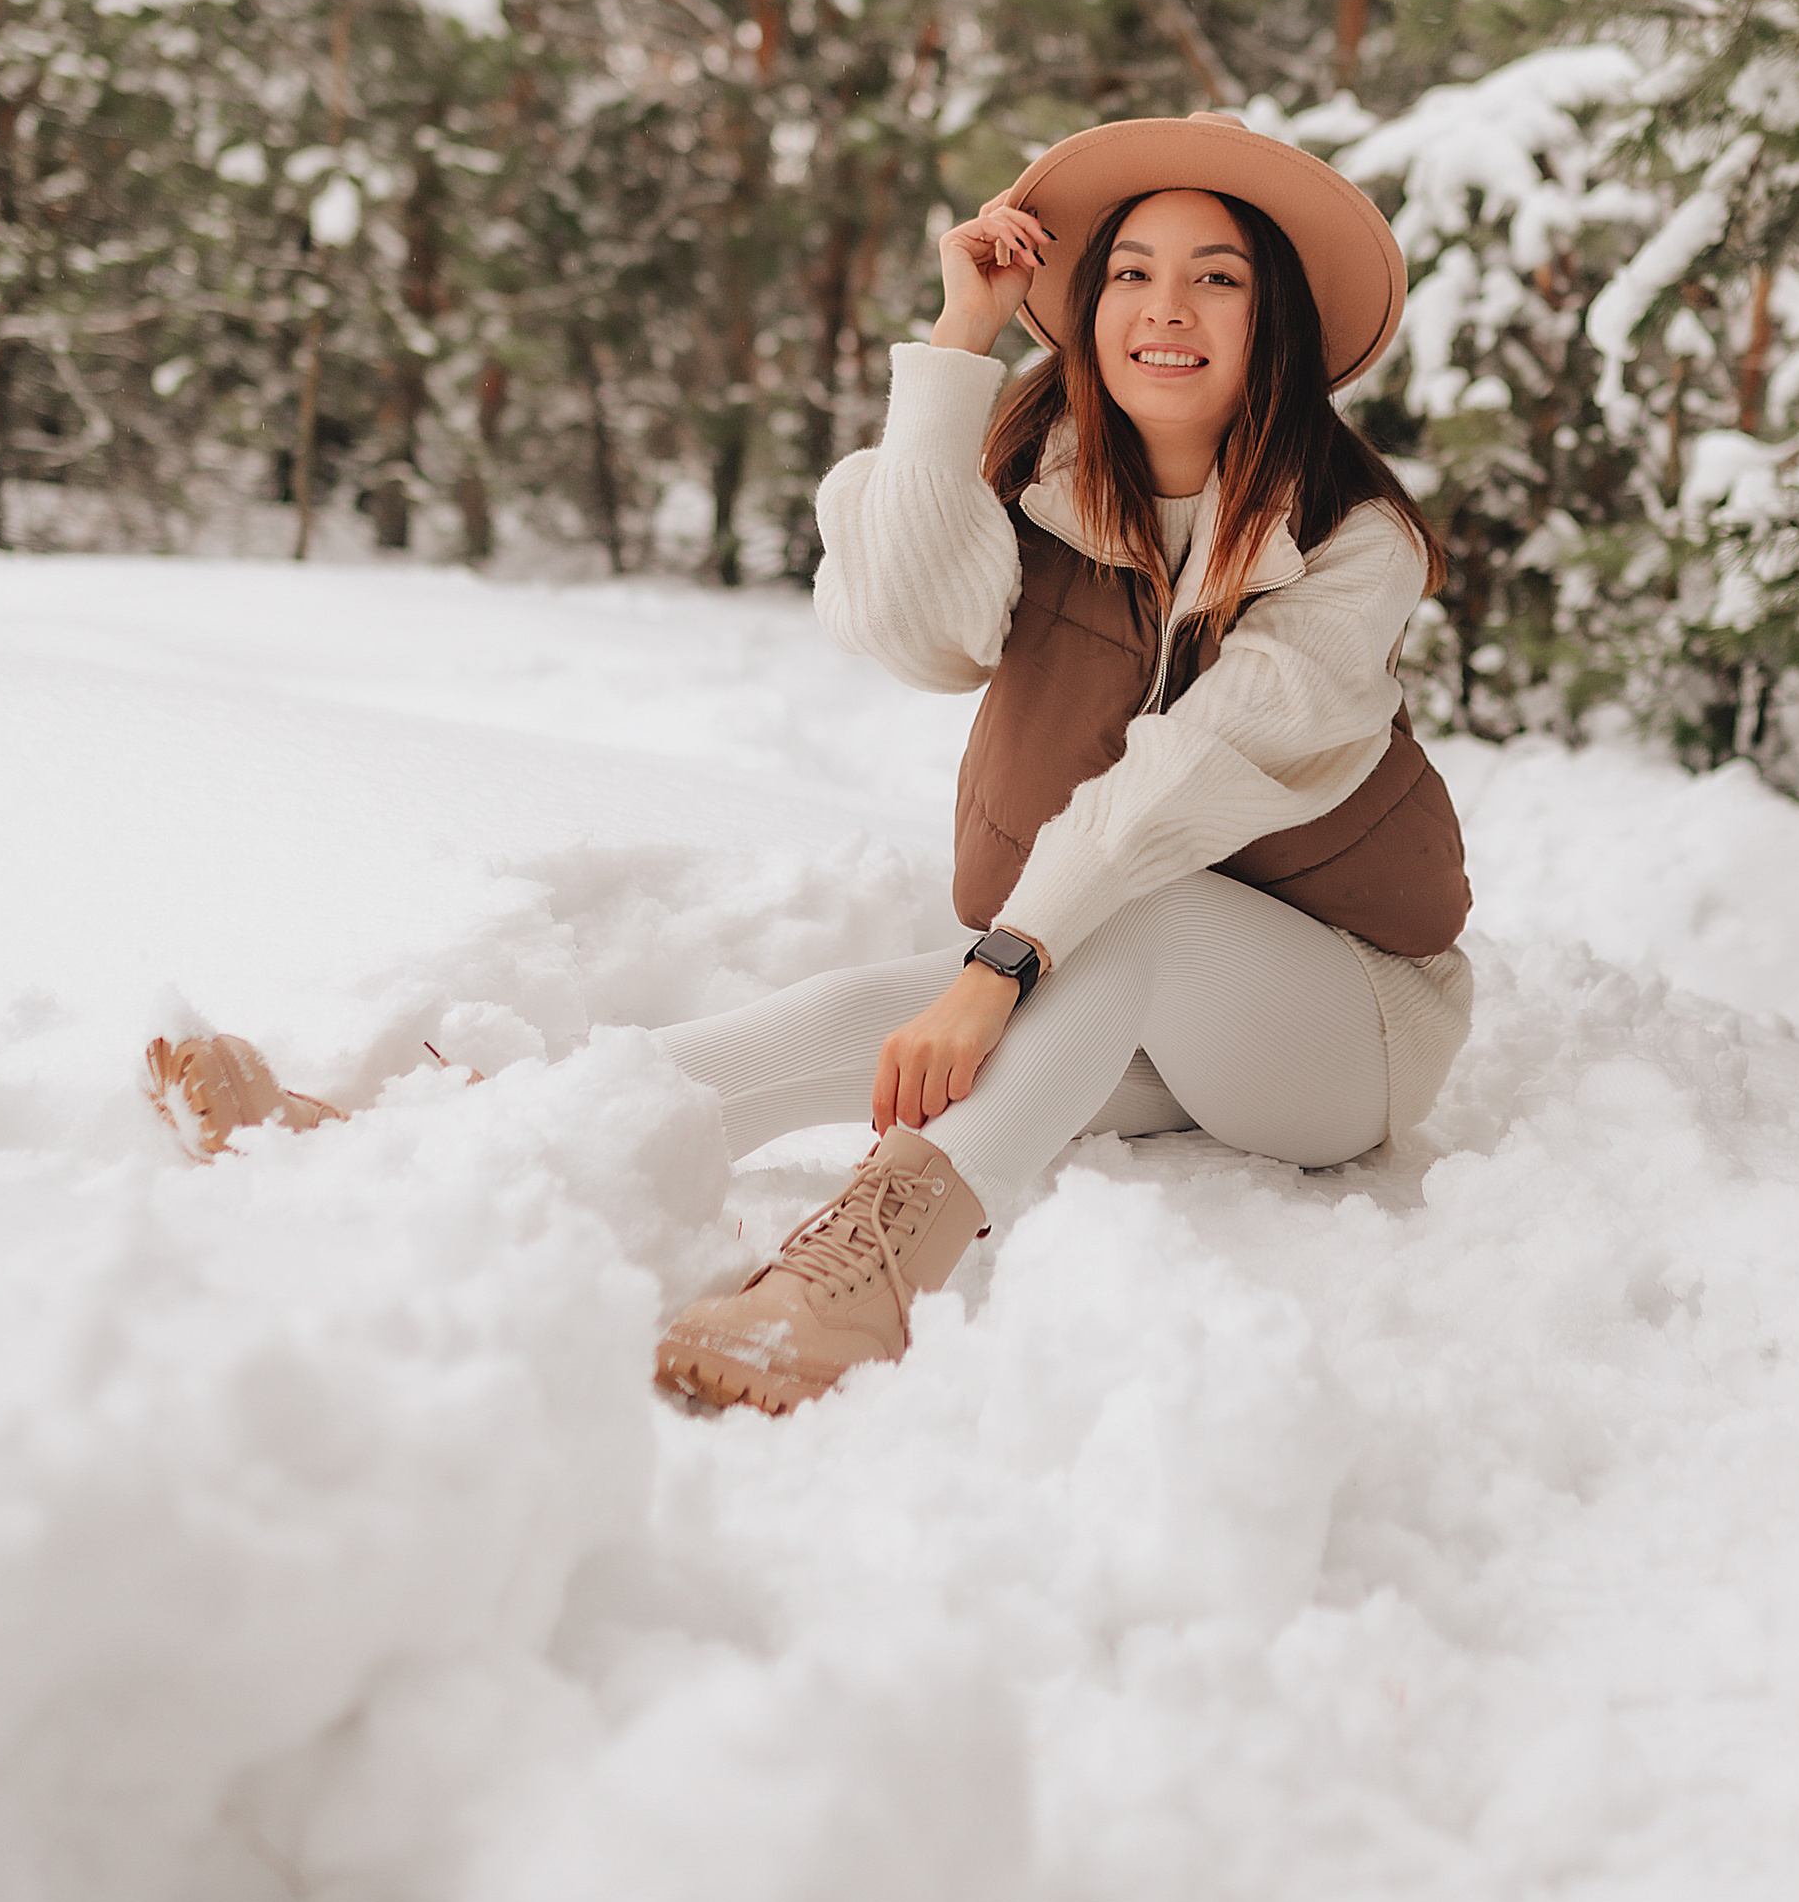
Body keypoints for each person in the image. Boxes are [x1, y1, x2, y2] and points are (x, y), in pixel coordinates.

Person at [148, 116, 1473, 1417]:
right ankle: (420, 1147)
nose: (1163, 305)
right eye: (1131, 270)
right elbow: (907, 620)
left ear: (1275, 321)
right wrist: (959, 343)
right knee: (851, 1017)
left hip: (1339, 1029)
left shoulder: (1354, 544)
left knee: (1115, 917)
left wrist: (1003, 962)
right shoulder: (1055, 478)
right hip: (1131, 987)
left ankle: (863, 1285)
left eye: (1217, 276)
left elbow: (1184, 777)